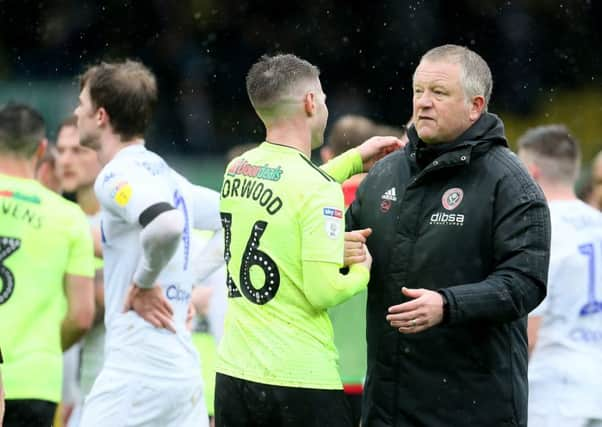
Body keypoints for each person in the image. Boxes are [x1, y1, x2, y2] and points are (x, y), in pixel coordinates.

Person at [346, 44, 551, 426]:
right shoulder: (384, 174)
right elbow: (341, 246)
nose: (423, 103)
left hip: (473, 409)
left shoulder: (509, 182)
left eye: (438, 93)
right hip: (386, 409)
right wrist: (341, 252)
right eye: (418, 91)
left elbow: (525, 282)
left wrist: (448, 304)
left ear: (476, 106)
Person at [215, 53, 402, 427]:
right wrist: (361, 269)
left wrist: (350, 160)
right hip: (298, 378)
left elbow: (290, 188)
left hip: (235, 372)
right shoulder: (317, 190)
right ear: (310, 103)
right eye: (325, 99)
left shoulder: (239, 167)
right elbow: (324, 291)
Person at [75, 59, 223, 427]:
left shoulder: (114, 176)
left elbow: (166, 223)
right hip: (182, 374)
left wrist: (143, 282)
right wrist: (187, 283)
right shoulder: (167, 174)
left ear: (101, 116)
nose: (76, 111)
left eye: (82, 103)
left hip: (137, 372)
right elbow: (235, 218)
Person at [0, 103, 95, 427]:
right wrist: (40, 350)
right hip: (35, 381)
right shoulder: (68, 218)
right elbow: (82, 316)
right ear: (42, 149)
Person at [321, 114, 407, 425]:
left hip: (320, 368)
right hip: (379, 370)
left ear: (328, 156)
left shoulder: (314, 203)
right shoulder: (394, 206)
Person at [517, 125, 602, 427]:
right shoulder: (598, 223)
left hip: (553, 394)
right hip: (595, 388)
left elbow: (529, 332)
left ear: (533, 173)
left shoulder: (537, 229)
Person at [55, 115, 105, 427]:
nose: (66, 161)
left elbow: (89, 309)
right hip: (81, 392)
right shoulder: (63, 218)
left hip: (120, 390)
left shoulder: (122, 223)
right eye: (61, 151)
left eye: (78, 151)